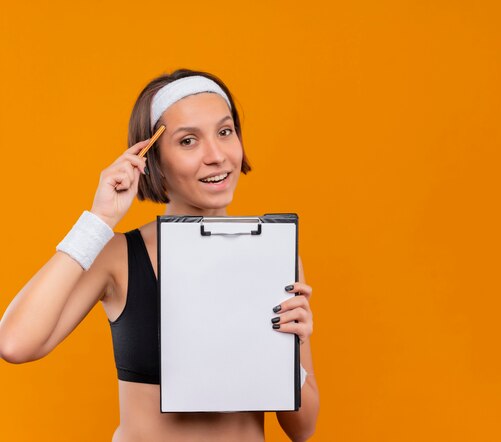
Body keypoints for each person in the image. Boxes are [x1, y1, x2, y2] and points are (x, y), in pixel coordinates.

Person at [0, 68, 319, 441]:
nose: (216, 155)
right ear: (151, 159)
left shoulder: (275, 251)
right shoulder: (119, 256)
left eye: (225, 131)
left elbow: (303, 428)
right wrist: (99, 220)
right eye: (188, 141)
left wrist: (288, 355)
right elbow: (15, 343)